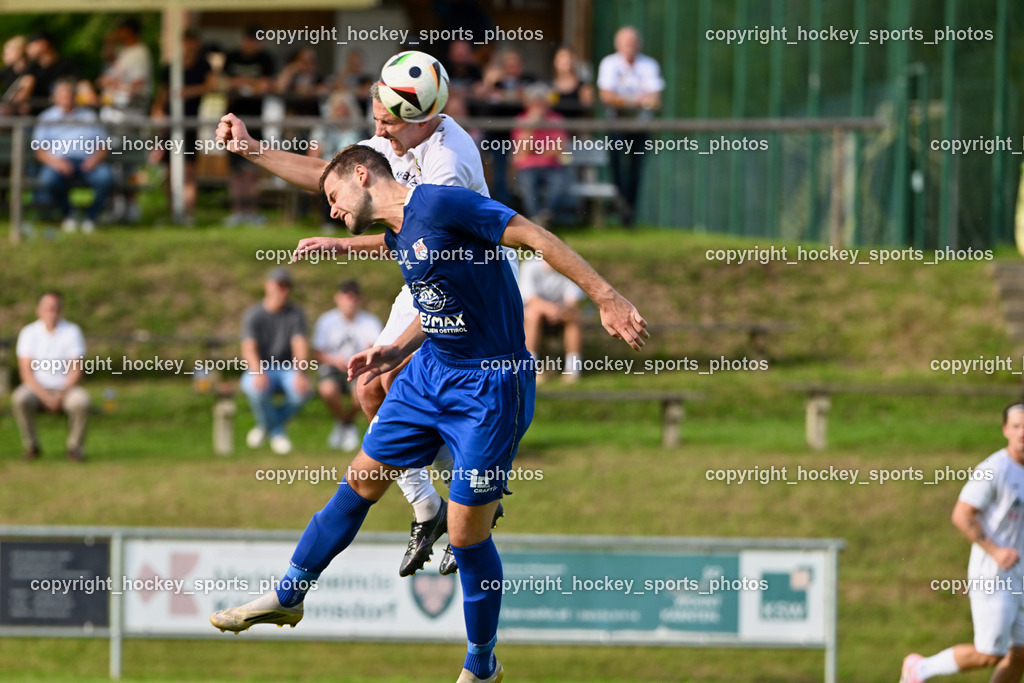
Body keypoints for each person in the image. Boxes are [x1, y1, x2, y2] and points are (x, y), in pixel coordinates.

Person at [210, 144, 648, 683]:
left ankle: (482, 664)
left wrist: (606, 297)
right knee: (360, 481)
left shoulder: (444, 204)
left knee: (466, 537)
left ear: (363, 175)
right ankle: (289, 595)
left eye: (332, 197)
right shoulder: (400, 231)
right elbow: (435, 299)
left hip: (491, 385)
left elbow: (535, 237)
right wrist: (396, 351)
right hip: (430, 372)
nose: (331, 210)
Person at [215, 76, 514, 578]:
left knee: (414, 381)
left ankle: (472, 494)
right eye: (375, 118)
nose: (378, 130)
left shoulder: (448, 162)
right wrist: (252, 149)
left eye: (386, 122)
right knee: (370, 387)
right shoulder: (401, 135)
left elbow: (430, 239)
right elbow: (332, 174)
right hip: (421, 265)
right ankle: (427, 508)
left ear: (419, 119)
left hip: (468, 279)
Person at [900, 402, 1024, 683]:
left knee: (1020, 654)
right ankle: (919, 669)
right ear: (1005, 430)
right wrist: (996, 550)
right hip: (994, 574)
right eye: (1016, 426)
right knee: (990, 653)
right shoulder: (994, 469)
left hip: (1021, 576)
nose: (1022, 433)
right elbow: (962, 514)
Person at [239, 267, 313, 455]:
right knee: (255, 389)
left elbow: (300, 345)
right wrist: (257, 372)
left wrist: (300, 373)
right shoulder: (253, 314)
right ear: (267, 286)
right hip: (261, 367)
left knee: (302, 392)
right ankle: (277, 431)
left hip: (287, 367)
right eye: (279, 285)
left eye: (287, 286)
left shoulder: (296, 314)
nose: (283, 290)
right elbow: (249, 349)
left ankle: (267, 426)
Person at [596, 26, 664, 227]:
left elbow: (655, 98)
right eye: (626, 42)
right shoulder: (609, 63)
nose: (630, 47)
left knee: (635, 169)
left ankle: (628, 214)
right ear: (618, 45)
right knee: (617, 167)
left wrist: (624, 100)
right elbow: (606, 96)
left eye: (633, 42)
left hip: (640, 125)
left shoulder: (649, 65)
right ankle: (622, 205)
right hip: (616, 124)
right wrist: (636, 101)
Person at [12, 291, 91, 462]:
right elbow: (26, 372)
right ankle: (32, 446)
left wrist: (61, 394)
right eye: (47, 308)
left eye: (55, 308)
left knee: (82, 401)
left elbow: (76, 369)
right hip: (36, 389)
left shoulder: (72, 331)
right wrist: (45, 396)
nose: (51, 312)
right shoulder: (28, 333)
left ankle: (74, 448)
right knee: (20, 398)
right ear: (38, 310)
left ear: (61, 310)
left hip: (65, 388)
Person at [32, 78, 114, 233]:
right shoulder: (46, 118)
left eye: (69, 95)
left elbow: (103, 145)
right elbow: (40, 150)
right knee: (48, 180)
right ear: (55, 97)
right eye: (62, 95)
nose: (66, 98)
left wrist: (94, 160)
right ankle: (69, 214)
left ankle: (91, 217)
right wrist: (57, 163)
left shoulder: (90, 117)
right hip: (59, 163)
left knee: (106, 177)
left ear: (75, 96)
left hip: (88, 162)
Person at [150, 29, 215, 223]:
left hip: (189, 123)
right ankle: (172, 214)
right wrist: (158, 111)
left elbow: (211, 86)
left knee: (188, 170)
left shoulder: (203, 66)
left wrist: (189, 92)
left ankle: (188, 214)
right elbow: (163, 93)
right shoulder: (172, 66)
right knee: (170, 170)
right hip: (170, 124)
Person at [311, 280, 382, 451]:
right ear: (337, 298)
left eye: (354, 296)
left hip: (359, 369)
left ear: (360, 299)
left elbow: (377, 347)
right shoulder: (326, 321)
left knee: (361, 393)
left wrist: (360, 360)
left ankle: (346, 423)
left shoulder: (370, 322)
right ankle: (345, 422)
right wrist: (334, 360)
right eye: (346, 295)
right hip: (333, 369)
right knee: (327, 389)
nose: (350, 300)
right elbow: (317, 352)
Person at [222, 25, 275, 226]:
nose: (252, 43)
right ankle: (237, 211)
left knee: (253, 167)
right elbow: (225, 82)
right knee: (235, 170)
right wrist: (248, 83)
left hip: (255, 121)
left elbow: (266, 85)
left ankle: (252, 211)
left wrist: (245, 84)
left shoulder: (265, 59)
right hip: (233, 118)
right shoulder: (232, 56)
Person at [510, 84, 570, 225]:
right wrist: (531, 126)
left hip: (552, 165)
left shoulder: (556, 119)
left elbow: (558, 149)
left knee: (559, 184)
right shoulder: (521, 120)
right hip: (528, 167)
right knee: (527, 185)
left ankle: (541, 217)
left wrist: (538, 152)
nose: (539, 106)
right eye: (536, 103)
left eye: (542, 102)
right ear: (529, 104)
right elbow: (523, 150)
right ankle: (539, 219)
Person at [519, 255, 585, 383]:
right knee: (533, 315)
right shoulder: (529, 266)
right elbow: (531, 300)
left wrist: (558, 312)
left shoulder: (570, 267)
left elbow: (572, 302)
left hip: (561, 314)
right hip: (536, 315)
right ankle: (531, 369)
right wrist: (551, 310)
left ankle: (573, 370)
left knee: (574, 316)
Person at [23, 31, 78, 115]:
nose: (28, 49)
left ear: (44, 44)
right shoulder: (32, 68)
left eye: (32, 45)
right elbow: (23, 92)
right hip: (35, 116)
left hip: (64, 114)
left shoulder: (66, 65)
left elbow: (82, 85)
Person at [550, 45, 594, 119]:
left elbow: (588, 114)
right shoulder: (548, 88)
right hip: (554, 129)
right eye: (562, 57)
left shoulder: (583, 88)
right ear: (555, 61)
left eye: (569, 57)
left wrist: (587, 101)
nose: (566, 60)